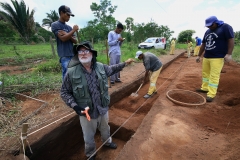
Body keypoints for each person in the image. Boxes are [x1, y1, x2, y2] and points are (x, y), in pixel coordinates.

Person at [60, 41, 134, 160]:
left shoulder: (101, 67)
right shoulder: (71, 72)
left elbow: (112, 69)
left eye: (86, 51)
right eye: (80, 51)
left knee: (105, 128)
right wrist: (75, 106)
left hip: (102, 107)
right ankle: (91, 154)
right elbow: (64, 92)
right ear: (77, 55)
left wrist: (125, 63)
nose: (83, 53)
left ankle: (107, 142)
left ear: (92, 53)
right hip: (86, 112)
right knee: (88, 136)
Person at [196, 16, 234, 102]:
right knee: (205, 74)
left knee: (214, 76)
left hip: (218, 57)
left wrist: (229, 54)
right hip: (207, 56)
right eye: (208, 26)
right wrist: (199, 55)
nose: (209, 27)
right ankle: (205, 88)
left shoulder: (225, 27)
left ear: (216, 22)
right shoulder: (208, 31)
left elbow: (231, 40)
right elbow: (204, 44)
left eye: (211, 25)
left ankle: (211, 94)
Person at [51, 5, 79, 80]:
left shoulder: (69, 27)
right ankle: (65, 91)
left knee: (73, 74)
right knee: (66, 74)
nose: (69, 17)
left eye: (70, 15)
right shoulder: (55, 25)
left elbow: (75, 41)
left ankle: (72, 90)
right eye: (68, 15)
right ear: (61, 13)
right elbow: (63, 39)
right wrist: (73, 31)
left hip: (72, 54)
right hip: (64, 55)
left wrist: (66, 34)